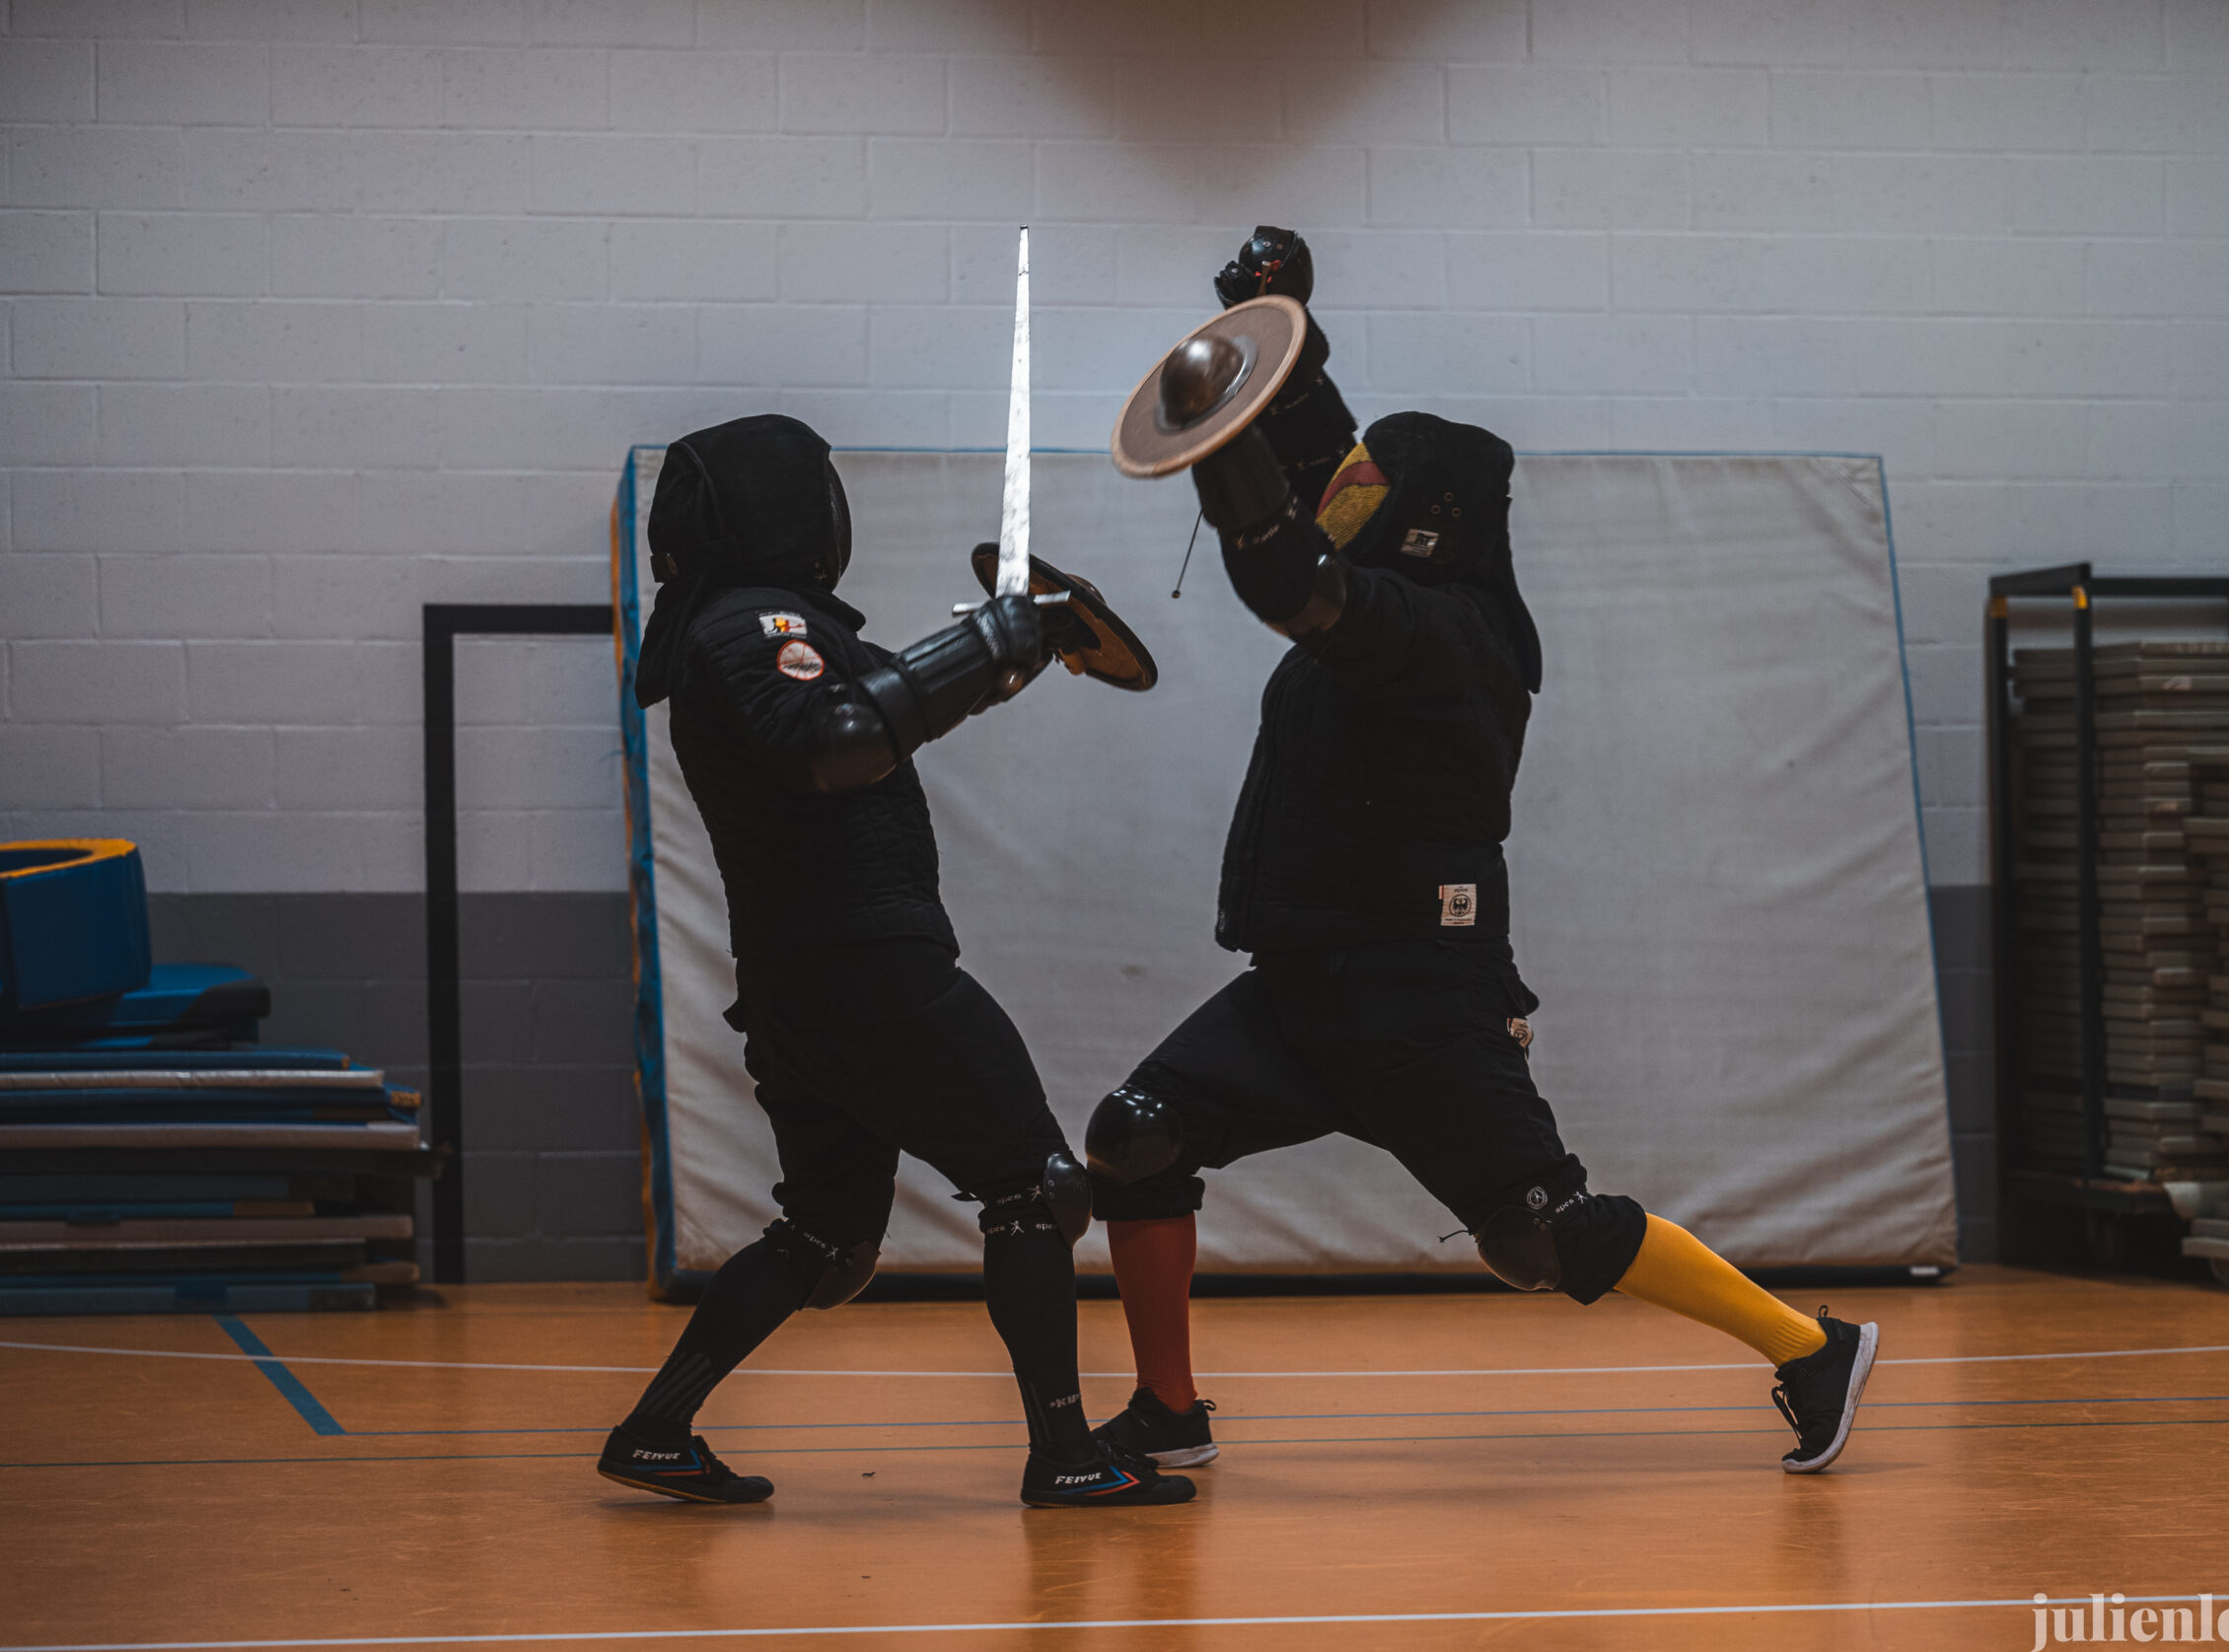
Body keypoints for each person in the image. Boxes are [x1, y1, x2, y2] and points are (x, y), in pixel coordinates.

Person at [1085, 233, 1879, 1476]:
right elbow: (1327, 463)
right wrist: (1273, 328)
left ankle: (1812, 1345)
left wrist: (1219, 452)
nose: (1345, 499)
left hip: (1420, 995)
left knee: (1537, 1235)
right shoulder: (1400, 576)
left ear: (1425, 521)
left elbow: (1294, 577)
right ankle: (1168, 1410)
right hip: (1303, 983)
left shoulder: (1447, 634)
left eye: (1370, 495)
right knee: (1139, 1135)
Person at [600, 413, 1190, 1509]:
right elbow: (835, 738)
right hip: (867, 973)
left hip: (800, 984)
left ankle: (655, 1428)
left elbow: (878, 702)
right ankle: (1065, 1453)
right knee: (1034, 1186)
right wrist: (987, 645)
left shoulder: (744, 632)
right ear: (785, 510)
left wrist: (1019, 643)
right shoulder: (756, 626)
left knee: (826, 1234)